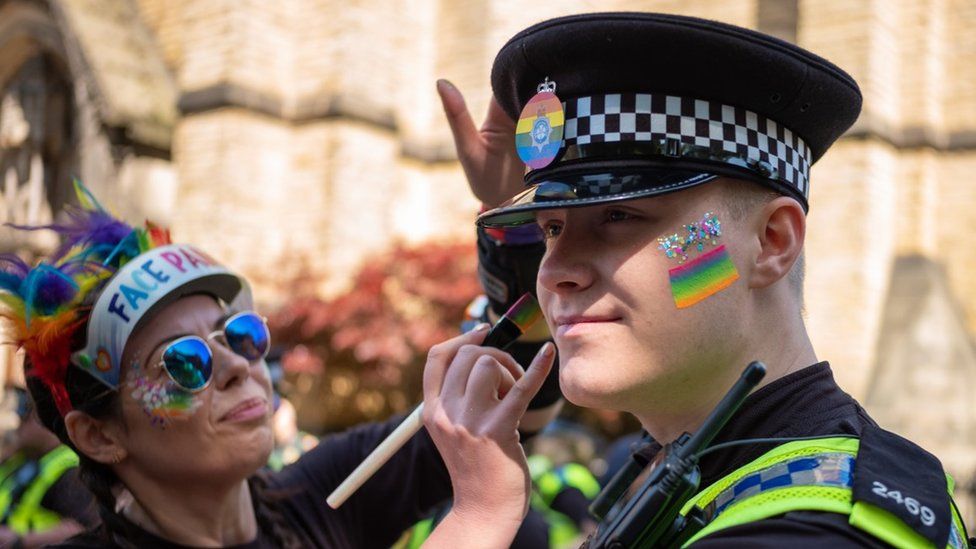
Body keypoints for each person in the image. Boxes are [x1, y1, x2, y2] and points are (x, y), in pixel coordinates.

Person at [424, 12, 974, 548]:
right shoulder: (704, 470)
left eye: (619, 217)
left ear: (771, 242)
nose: (556, 270)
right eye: (550, 229)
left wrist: (478, 519)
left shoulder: (810, 532)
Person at [0, 182, 558, 548]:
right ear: (97, 435)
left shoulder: (315, 498)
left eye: (239, 335)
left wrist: (518, 233)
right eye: (183, 362)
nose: (240, 367)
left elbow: (510, 409)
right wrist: (480, 518)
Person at [0, 388, 97, 548]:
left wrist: (19, 541)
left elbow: (84, 530)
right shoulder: (19, 460)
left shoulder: (69, 469)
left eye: (23, 417)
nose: (16, 426)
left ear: (43, 420)